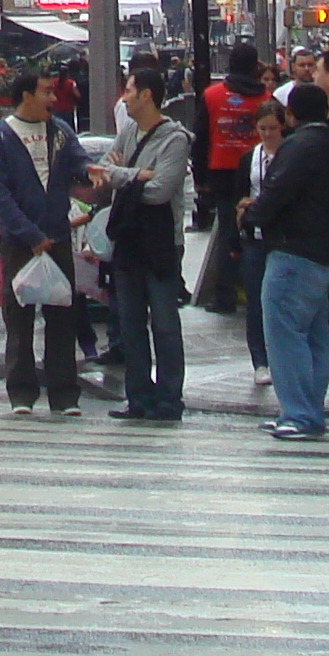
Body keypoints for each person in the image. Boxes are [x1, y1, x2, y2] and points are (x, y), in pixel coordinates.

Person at [245, 43, 329, 441]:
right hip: (326, 249)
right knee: (315, 332)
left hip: (296, 249)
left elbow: (276, 193)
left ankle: (299, 413)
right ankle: (309, 409)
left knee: (286, 332)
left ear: (290, 115)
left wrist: (252, 215)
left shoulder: (304, 144)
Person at [0, 68, 95, 418]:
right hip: (20, 242)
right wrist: (30, 235)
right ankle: (22, 392)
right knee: (19, 318)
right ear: (26, 95)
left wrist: (96, 172)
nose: (52, 98)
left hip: (57, 236)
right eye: (45, 91)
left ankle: (64, 394)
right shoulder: (0, 137)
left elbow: (79, 164)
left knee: (63, 314)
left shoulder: (59, 131)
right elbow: (0, 196)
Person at [94, 61, 192, 422]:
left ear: (147, 96)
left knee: (164, 323)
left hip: (161, 241)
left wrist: (123, 177)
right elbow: (105, 170)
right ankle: (138, 396)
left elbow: (160, 191)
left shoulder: (175, 139)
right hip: (128, 238)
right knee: (130, 321)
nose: (125, 98)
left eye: (130, 91)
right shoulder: (129, 132)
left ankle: (169, 398)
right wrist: (136, 175)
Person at [233, 93, 295, 381]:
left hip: (285, 237)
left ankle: (283, 355)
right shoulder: (250, 158)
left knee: (283, 300)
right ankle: (260, 360)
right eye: (262, 129)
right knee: (256, 301)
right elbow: (240, 197)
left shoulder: (292, 155)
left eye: (272, 128)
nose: (268, 134)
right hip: (254, 237)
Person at [201, 42, 271, 245]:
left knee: (227, 227)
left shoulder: (211, 95)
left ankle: (229, 265)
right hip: (258, 170)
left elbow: (202, 135)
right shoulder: (266, 99)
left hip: (221, 171)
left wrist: (200, 178)